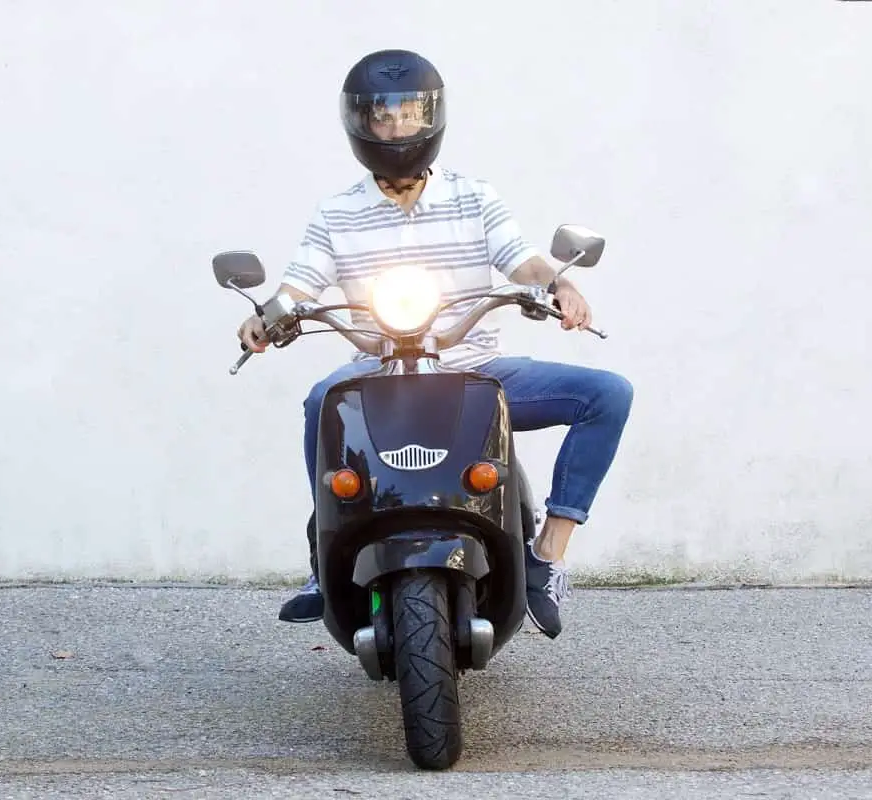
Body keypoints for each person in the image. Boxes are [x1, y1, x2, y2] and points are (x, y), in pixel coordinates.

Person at [235, 49, 633, 639]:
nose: (396, 127)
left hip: (477, 370)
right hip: (377, 374)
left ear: (432, 118)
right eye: (382, 116)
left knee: (607, 394)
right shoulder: (336, 212)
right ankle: (324, 560)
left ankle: (548, 555)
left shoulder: (474, 196)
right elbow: (299, 284)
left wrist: (558, 282)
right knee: (323, 400)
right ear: (360, 124)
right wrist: (266, 316)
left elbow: (520, 258)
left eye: (409, 114)